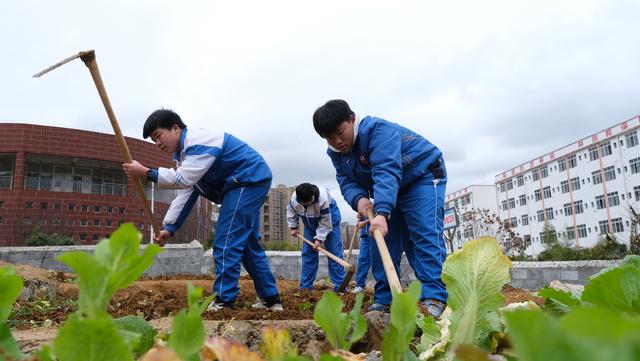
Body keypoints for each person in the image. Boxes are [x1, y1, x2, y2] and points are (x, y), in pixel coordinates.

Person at [123, 109, 283, 312]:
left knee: (226, 241)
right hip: (239, 186)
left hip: (247, 180)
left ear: (175, 128)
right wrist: (169, 228)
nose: (157, 144)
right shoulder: (185, 158)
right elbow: (187, 192)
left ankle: (224, 300)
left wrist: (146, 172)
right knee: (246, 245)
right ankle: (271, 299)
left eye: (158, 136)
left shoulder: (199, 142)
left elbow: (182, 180)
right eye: (154, 140)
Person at [312, 99, 448, 318]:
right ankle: (385, 299)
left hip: (422, 175)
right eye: (329, 138)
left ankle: (435, 297)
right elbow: (346, 181)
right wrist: (361, 201)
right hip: (392, 188)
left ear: (352, 119)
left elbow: (386, 170)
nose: (337, 141)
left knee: (423, 233)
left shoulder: (377, 131)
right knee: (383, 241)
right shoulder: (336, 153)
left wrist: (382, 212)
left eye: (340, 132)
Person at [286, 183, 346, 292]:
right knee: (308, 254)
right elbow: (291, 212)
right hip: (309, 223)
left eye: (310, 201)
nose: (308, 204)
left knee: (334, 254)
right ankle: (305, 287)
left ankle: (340, 286)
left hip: (329, 220)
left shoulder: (323, 199)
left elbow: (326, 223)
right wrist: (293, 227)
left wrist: (318, 239)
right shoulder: (294, 199)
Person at [351, 217, 371, 294]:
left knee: (379, 262)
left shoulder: (376, 204)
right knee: (362, 260)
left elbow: (379, 215)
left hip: (376, 234)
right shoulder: (362, 205)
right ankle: (360, 286)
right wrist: (359, 219)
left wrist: (365, 222)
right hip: (365, 236)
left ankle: (385, 288)